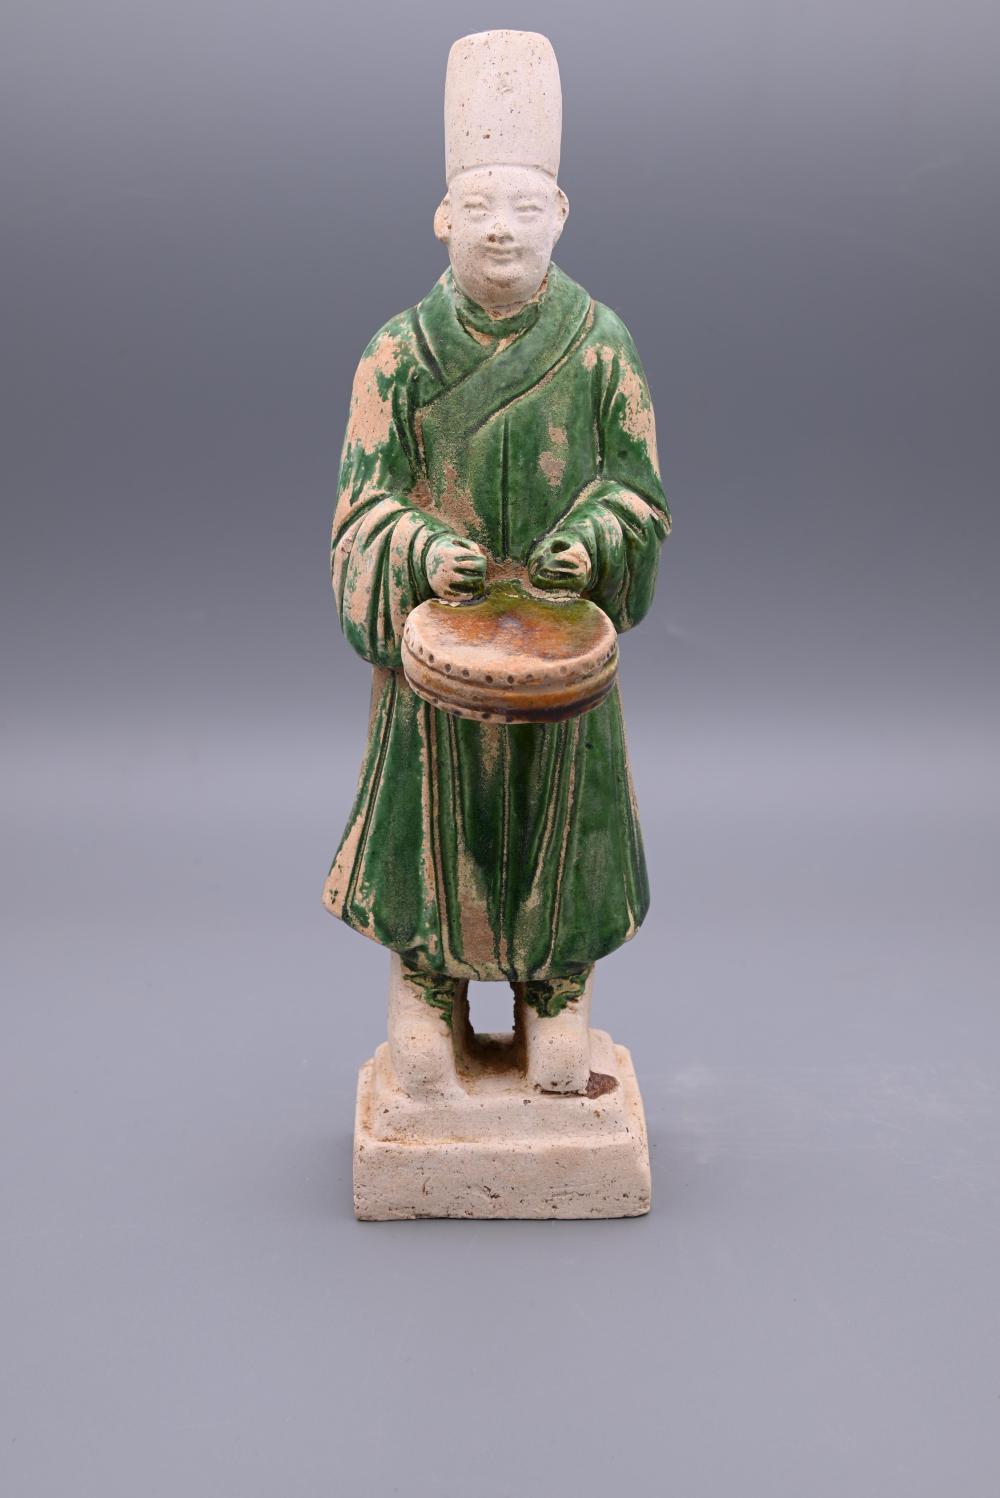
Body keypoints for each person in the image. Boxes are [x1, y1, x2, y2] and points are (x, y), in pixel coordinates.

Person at [324, 31, 669, 1095]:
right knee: (435, 839)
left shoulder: (601, 345)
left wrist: (593, 541)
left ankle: (555, 997)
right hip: (438, 663)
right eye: (479, 207)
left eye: (524, 207)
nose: (502, 230)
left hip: (557, 659)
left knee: (562, 835)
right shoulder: (398, 353)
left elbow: (639, 496)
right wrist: (422, 550)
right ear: (443, 217)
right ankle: (425, 991)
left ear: (562, 212)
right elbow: (361, 511)